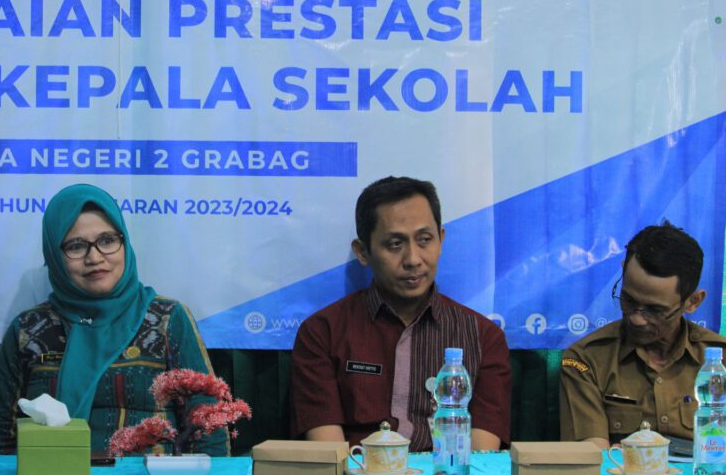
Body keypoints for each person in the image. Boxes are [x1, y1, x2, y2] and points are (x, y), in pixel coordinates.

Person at [0, 184, 227, 455]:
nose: (94, 258)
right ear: (54, 255)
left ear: (124, 243)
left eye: (107, 240)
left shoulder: (167, 319)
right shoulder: (28, 329)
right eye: (76, 246)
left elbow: (208, 427)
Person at [290, 176, 511, 452]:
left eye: (425, 240)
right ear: (363, 252)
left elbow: (482, 458)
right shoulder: (322, 333)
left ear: (441, 240)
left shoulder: (483, 337)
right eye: (395, 244)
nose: (413, 259)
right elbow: (329, 456)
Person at [560, 221, 726, 448]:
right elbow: (592, 455)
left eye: (655, 310)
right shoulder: (588, 359)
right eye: (628, 300)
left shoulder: (720, 362)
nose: (637, 319)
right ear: (623, 272)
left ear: (693, 302)